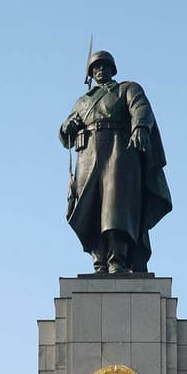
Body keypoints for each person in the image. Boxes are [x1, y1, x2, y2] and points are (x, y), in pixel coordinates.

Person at [59, 50, 172, 274]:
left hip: (118, 151)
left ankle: (116, 259)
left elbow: (141, 107)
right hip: (88, 155)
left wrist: (139, 127)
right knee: (90, 207)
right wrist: (67, 128)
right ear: (90, 73)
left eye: (104, 66)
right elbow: (64, 135)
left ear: (112, 69)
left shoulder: (126, 89)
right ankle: (99, 260)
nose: (100, 70)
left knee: (116, 207)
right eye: (95, 67)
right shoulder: (82, 102)